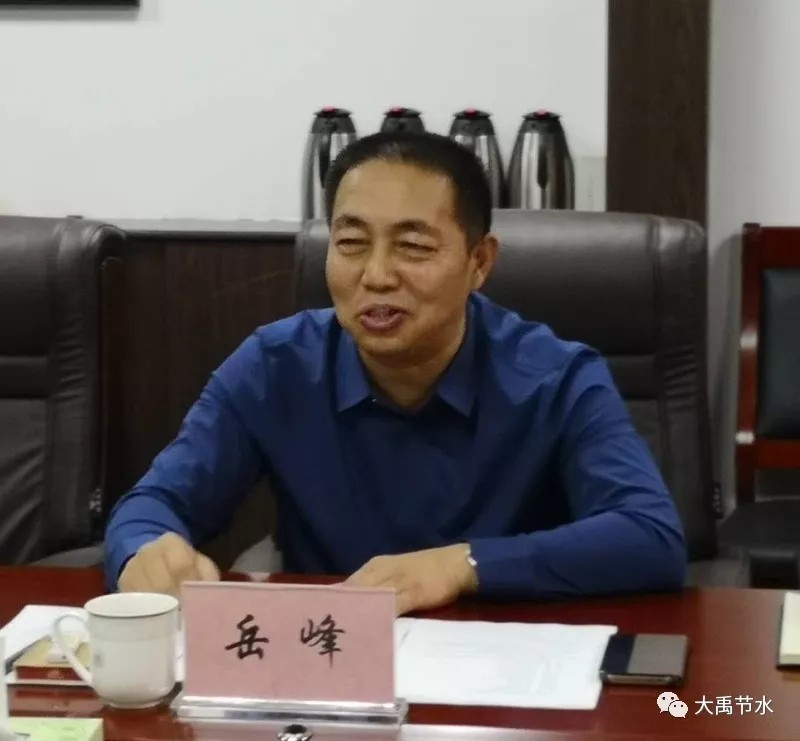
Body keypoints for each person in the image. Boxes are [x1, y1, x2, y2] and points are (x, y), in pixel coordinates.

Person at [104, 131, 686, 614]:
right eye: (351, 242)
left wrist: (462, 565)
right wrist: (144, 551)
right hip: (331, 662)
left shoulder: (556, 377)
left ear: (479, 262)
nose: (377, 275)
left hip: (507, 662)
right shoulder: (275, 366)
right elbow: (153, 503)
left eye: (412, 247)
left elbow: (649, 535)